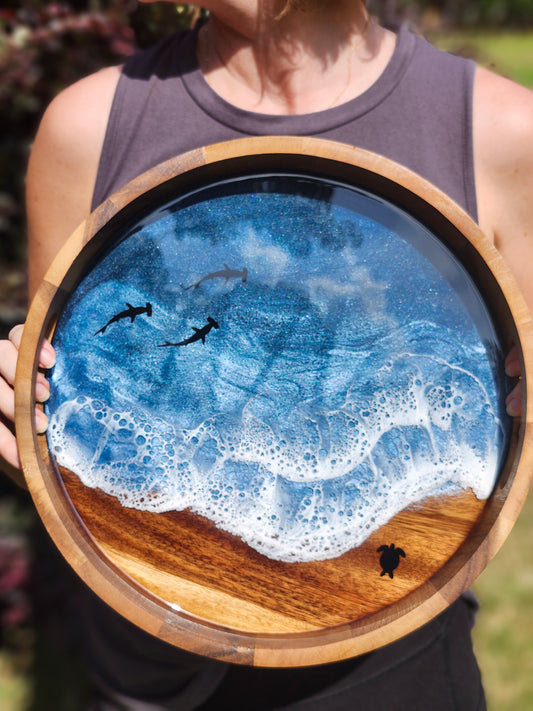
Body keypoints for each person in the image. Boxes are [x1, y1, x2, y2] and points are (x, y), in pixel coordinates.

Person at [1, 0, 532, 707]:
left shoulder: (501, 131)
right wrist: (30, 417)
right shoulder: (87, 129)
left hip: (396, 667)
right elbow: (69, 411)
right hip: (150, 668)